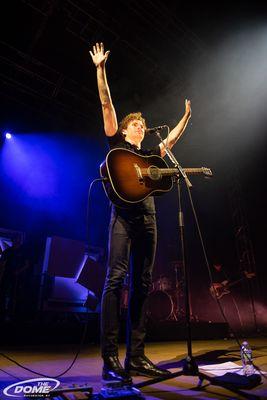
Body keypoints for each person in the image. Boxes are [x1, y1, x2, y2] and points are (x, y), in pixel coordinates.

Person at [90, 42, 191, 383]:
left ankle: (136, 356)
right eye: (136, 124)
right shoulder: (116, 146)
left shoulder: (149, 157)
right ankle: (109, 358)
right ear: (124, 129)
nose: (141, 127)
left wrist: (186, 118)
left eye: (143, 125)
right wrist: (100, 69)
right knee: (115, 281)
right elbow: (106, 102)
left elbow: (170, 144)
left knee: (144, 284)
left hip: (148, 219)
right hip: (122, 218)